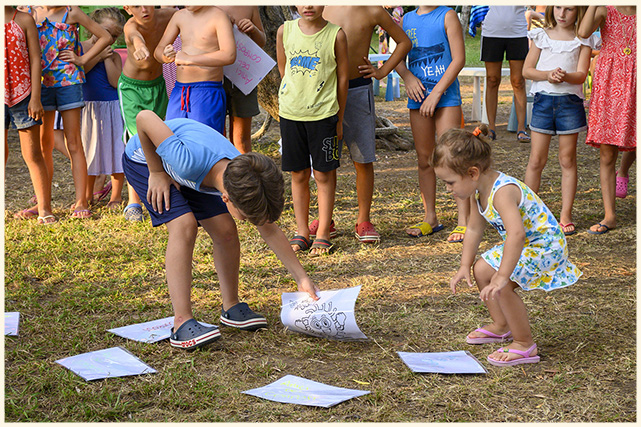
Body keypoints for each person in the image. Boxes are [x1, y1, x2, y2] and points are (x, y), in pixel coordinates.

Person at [122, 110, 320, 350]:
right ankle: (181, 321)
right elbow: (144, 118)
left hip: (189, 171)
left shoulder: (242, 173)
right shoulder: (186, 161)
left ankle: (231, 305)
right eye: (246, 217)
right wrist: (157, 171)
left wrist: (302, 278)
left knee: (226, 229)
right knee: (184, 225)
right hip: (144, 159)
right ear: (226, 198)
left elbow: (269, 229)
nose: (250, 222)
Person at [433, 125, 581, 366]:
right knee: (481, 270)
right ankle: (502, 326)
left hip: (545, 246)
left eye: (449, 183)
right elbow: (473, 228)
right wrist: (464, 265)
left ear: (472, 173)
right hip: (526, 242)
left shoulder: (502, 192)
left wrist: (502, 276)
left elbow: (516, 234)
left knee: (500, 285)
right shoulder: (477, 189)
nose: (448, 190)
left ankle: (524, 344)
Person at [322, 6, 411, 244]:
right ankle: (324, 220)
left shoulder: (372, 9)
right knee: (326, 160)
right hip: (324, 92)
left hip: (358, 89)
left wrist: (382, 71)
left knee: (363, 158)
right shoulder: (321, 7)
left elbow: (403, 42)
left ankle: (363, 219)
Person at [276, 6, 348, 256]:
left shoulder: (336, 35)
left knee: (324, 175)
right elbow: (284, 70)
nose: (308, 5)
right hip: (291, 114)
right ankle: (302, 231)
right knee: (298, 173)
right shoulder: (284, 31)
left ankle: (323, 232)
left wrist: (338, 118)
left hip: (324, 116)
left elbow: (342, 77)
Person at [395, 6, 470, 244]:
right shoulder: (406, 19)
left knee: (454, 156)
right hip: (418, 99)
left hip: (445, 98)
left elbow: (459, 59)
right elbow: (397, 58)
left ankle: (464, 220)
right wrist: (407, 76)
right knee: (424, 158)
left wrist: (437, 93)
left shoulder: (447, 15)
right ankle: (431, 217)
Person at [33, 6, 112, 219]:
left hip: (69, 82)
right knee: (44, 144)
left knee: (74, 142)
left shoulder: (72, 12)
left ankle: (81, 202)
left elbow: (104, 36)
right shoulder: (32, 11)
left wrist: (83, 60)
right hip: (41, 84)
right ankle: (43, 203)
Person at [523, 6, 595, 237]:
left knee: (567, 160)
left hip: (570, 104)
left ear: (579, 11)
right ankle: (528, 214)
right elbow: (527, 70)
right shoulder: (541, 35)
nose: (563, 13)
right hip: (543, 102)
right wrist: (547, 75)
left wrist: (564, 76)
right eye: (558, 7)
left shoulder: (583, 39)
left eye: (569, 9)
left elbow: (582, 74)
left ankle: (565, 215)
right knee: (536, 160)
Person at [579, 6, 636, 234]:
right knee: (607, 150)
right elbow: (583, 32)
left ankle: (623, 171)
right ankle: (610, 215)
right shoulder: (605, 9)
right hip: (610, 80)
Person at [119, 5, 176, 221]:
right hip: (133, 89)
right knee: (135, 142)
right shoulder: (131, 25)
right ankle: (133, 201)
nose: (144, 9)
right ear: (127, 8)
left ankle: (163, 189)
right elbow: (135, 37)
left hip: (158, 85)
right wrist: (140, 45)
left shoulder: (168, 14)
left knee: (161, 136)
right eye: (136, 5)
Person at [72, 7, 127, 210]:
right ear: (91, 28)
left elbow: (115, 82)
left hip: (111, 107)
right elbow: (79, 73)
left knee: (115, 150)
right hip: (88, 107)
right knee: (88, 151)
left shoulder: (112, 55)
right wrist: (96, 56)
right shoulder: (81, 48)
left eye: (114, 36)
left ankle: (116, 196)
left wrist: (107, 59)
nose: (110, 39)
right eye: (106, 33)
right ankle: (86, 195)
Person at [5, 6, 55, 224]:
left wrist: (36, 97)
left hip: (24, 94)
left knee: (33, 154)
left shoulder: (24, 19)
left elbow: (36, 59)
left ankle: (45, 209)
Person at [154, 6, 236, 134]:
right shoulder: (179, 16)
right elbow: (158, 51)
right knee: (173, 136)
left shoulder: (218, 16)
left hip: (206, 90)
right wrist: (164, 55)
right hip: (179, 91)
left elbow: (229, 55)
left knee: (204, 140)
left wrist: (190, 59)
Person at [218, 6, 266, 154]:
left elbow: (262, 40)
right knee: (216, 137)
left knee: (241, 140)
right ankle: (219, 175)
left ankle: (243, 175)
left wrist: (253, 30)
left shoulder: (249, 6)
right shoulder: (205, 6)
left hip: (242, 76)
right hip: (212, 77)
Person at [481, 6, 531, 142]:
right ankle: (491, 128)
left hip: (517, 32)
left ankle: (521, 129)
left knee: (518, 81)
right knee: (492, 79)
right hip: (491, 32)